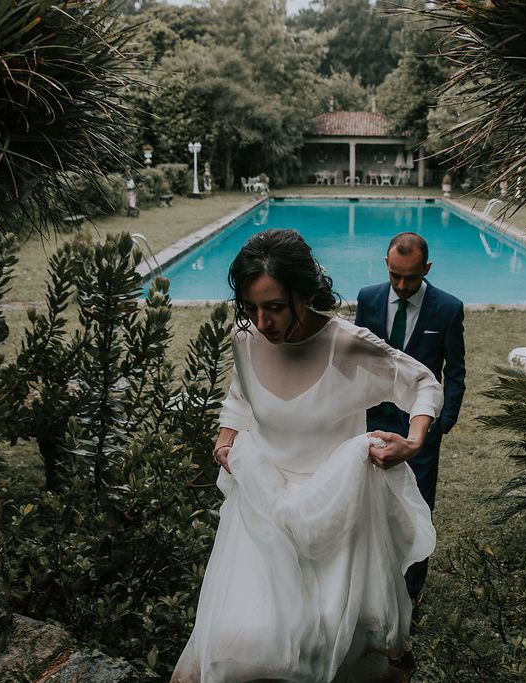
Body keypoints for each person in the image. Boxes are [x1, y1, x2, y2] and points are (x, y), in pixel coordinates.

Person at [171, 229, 443, 683]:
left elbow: (422, 383)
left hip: (334, 509)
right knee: (243, 642)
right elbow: (240, 393)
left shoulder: (346, 344)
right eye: (251, 307)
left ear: (306, 293)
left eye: (274, 307)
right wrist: (225, 438)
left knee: (330, 645)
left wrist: (413, 441)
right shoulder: (244, 337)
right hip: (259, 504)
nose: (262, 321)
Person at [355, 232, 465, 600]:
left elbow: (455, 371)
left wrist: (441, 423)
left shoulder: (448, 309)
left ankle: (409, 593)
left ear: (427, 269)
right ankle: (372, 583)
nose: (402, 286)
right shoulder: (367, 298)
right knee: (367, 503)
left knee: (416, 509)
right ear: (386, 265)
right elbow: (357, 361)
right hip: (370, 423)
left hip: (420, 430)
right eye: (396, 276)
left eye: (412, 277)